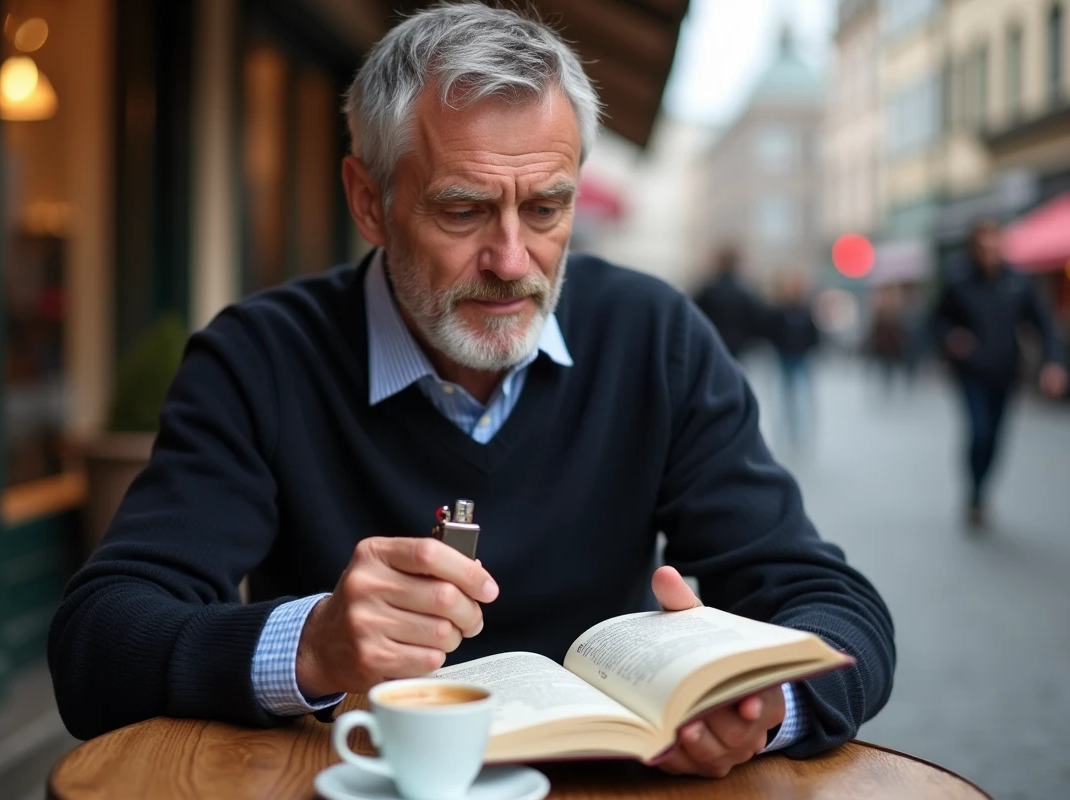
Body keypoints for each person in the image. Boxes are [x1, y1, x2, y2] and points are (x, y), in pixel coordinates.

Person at [48, 3, 894, 779]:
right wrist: (313, 643)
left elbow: (839, 611)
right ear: (368, 202)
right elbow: (96, 645)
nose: (513, 260)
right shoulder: (261, 356)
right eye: (463, 211)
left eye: (548, 208)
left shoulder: (654, 338)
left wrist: (760, 706)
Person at [932, 219, 1068, 527]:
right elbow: (937, 321)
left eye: (995, 243)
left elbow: (1044, 324)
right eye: (984, 245)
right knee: (979, 432)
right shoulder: (958, 280)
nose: (990, 251)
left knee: (995, 438)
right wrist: (952, 337)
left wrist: (1054, 363)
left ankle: (981, 492)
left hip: (1006, 372)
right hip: (971, 373)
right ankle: (975, 493)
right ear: (974, 247)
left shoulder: (1018, 281)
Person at [768, 271, 820, 452]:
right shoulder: (780, 312)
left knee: (804, 397)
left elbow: (814, 334)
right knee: (786, 397)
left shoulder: (805, 311)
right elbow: (773, 332)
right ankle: (787, 432)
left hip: (802, 357)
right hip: (785, 358)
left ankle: (802, 433)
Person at [693, 247, 770, 361]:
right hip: (738, 344)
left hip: (714, 342)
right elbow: (756, 319)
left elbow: (696, 316)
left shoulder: (708, 291)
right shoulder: (745, 292)